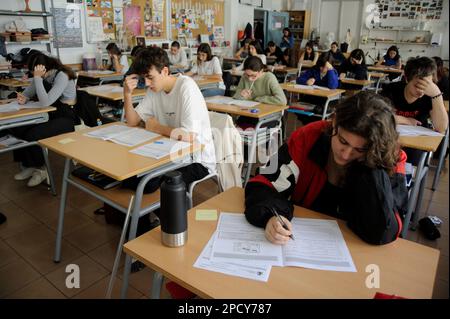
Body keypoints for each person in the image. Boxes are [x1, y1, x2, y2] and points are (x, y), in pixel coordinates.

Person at [244, 91, 408, 245]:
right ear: (335, 122)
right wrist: (272, 216)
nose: (346, 154)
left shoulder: (390, 157)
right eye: (343, 141)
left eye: (360, 149)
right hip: (303, 240)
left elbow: (386, 230)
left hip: (356, 248)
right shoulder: (308, 137)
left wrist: (373, 163)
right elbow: (263, 183)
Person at [123, 47, 216, 195]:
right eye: (144, 78)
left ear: (165, 71)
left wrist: (156, 127)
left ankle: (170, 217)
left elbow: (189, 136)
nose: (147, 83)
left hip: (196, 159)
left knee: (156, 186)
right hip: (168, 152)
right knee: (132, 178)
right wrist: (127, 94)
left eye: (150, 77)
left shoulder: (186, 87)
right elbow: (132, 121)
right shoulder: (154, 89)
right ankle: (144, 217)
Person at [12, 53, 78, 187]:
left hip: (66, 117)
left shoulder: (62, 75)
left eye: (34, 71)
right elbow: (28, 93)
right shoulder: (41, 75)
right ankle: (29, 165)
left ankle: (41, 169)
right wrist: (23, 97)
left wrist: (37, 78)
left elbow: (45, 102)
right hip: (50, 114)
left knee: (33, 134)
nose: (33, 74)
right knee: (18, 128)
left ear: (43, 67)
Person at [381, 57, 447, 134]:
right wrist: (406, 120)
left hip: (420, 141)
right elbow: (378, 116)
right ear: (406, 79)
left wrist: (437, 95)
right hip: (391, 136)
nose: (421, 90)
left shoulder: (431, 95)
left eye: (426, 86)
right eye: (417, 86)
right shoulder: (391, 89)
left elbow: (441, 128)